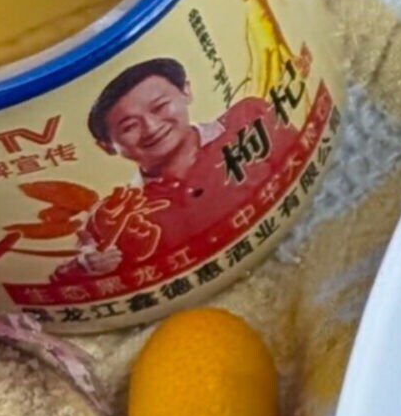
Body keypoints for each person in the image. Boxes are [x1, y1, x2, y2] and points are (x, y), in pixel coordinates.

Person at [70, 57, 291, 278]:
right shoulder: (110, 218)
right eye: (129, 126)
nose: (152, 128)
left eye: (160, 107)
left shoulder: (247, 118)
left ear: (186, 91)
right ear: (107, 146)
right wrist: (92, 267)